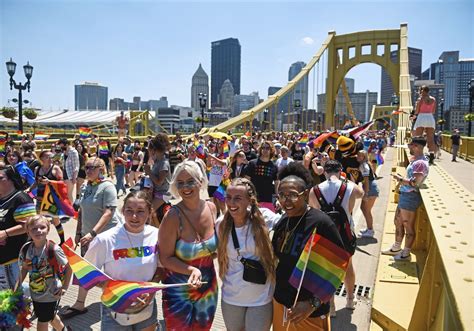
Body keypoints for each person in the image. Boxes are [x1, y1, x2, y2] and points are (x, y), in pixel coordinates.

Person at [272, 163, 344, 331]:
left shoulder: (321, 223)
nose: (286, 201)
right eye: (281, 195)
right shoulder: (283, 221)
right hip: (281, 303)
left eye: (293, 195)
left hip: (307, 311)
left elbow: (338, 269)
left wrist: (312, 304)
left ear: (305, 195)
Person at [85, 191, 160, 331]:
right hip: (115, 309)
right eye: (129, 211)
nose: (134, 217)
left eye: (140, 211)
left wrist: (151, 291)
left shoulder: (157, 235)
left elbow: (161, 268)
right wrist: (117, 289)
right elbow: (87, 273)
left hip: (147, 308)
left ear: (150, 212)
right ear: (122, 211)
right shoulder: (105, 239)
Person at [159, 161, 218, 330]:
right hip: (178, 292)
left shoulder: (212, 208)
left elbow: (211, 250)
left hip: (208, 289)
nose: (186, 187)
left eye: (191, 181)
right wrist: (192, 270)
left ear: (200, 181)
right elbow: (165, 258)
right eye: (180, 183)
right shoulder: (172, 216)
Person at [61, 157, 121, 319]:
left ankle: (118, 297)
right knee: (85, 269)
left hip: (107, 237)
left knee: (111, 269)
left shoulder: (108, 187)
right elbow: (81, 211)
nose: (87, 171)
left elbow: (109, 213)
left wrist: (92, 233)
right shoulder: (86, 185)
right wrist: (79, 232)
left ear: (101, 169)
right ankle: (80, 304)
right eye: (86, 167)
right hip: (88, 236)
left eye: (91, 168)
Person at [216, 178, 278, 331]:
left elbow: (291, 223)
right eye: (228, 198)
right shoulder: (221, 224)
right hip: (231, 297)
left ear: (249, 200)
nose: (231, 203)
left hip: (261, 298)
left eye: (237, 198)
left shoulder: (265, 218)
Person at [308, 160, 364, 313]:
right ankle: (350, 300)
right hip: (346, 234)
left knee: (326, 270)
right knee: (348, 267)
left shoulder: (314, 190)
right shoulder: (350, 187)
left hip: (324, 236)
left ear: (324, 172)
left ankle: (331, 306)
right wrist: (349, 180)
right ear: (340, 171)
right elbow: (361, 193)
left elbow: (313, 209)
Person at [16, 215, 72, 331]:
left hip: (51, 293)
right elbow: (25, 268)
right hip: (35, 291)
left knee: (42, 320)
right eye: (34, 229)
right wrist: (17, 286)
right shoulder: (26, 249)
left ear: (48, 229)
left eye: (42, 227)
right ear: (28, 231)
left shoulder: (53, 249)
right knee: (49, 316)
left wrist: (65, 287)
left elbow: (68, 267)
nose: (38, 231)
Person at [383, 136, 429, 261]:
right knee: (398, 221)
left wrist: (400, 179)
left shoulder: (420, 163)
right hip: (405, 196)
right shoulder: (416, 160)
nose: (408, 147)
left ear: (417, 147)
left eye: (411, 145)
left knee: (408, 226)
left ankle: (405, 253)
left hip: (410, 197)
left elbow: (415, 183)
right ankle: (396, 247)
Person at [0, 163, 36, 290]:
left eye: (0, 178)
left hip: (11, 258)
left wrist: (5, 233)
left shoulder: (21, 199)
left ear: (11, 179)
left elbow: (30, 225)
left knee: (10, 295)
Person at [31, 151, 66, 245]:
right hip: (39, 199)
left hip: (51, 200)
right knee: (38, 221)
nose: (50, 158)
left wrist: (49, 181)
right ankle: (39, 240)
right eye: (47, 157)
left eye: (52, 157)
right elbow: (36, 182)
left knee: (55, 220)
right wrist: (29, 189)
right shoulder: (37, 169)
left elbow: (62, 183)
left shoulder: (56, 169)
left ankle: (62, 240)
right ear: (41, 159)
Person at [244, 141, 279, 212]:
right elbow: (247, 181)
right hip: (253, 198)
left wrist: (278, 197)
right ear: (260, 149)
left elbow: (276, 182)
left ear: (271, 150)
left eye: (267, 148)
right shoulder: (252, 163)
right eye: (263, 148)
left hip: (268, 199)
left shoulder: (274, 166)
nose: (265, 150)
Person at [357, 150, 379, 238]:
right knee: (363, 208)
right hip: (370, 187)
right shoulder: (365, 164)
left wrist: (366, 193)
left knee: (367, 210)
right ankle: (369, 228)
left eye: (360, 156)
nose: (358, 157)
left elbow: (366, 181)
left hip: (370, 188)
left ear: (364, 157)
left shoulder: (364, 165)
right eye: (358, 155)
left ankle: (370, 230)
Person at [413, 86, 437, 164]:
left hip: (421, 117)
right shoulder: (433, 99)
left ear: (421, 91)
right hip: (430, 118)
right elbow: (433, 111)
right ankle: (432, 155)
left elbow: (416, 111)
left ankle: (418, 155)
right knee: (431, 138)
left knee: (418, 138)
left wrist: (414, 115)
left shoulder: (420, 99)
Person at [57, 138, 80, 203]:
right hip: (64, 174)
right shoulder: (64, 152)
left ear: (66, 145)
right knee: (65, 193)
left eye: (62, 146)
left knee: (69, 193)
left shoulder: (73, 152)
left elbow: (76, 165)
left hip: (70, 175)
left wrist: (74, 177)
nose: (61, 147)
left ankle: (71, 209)